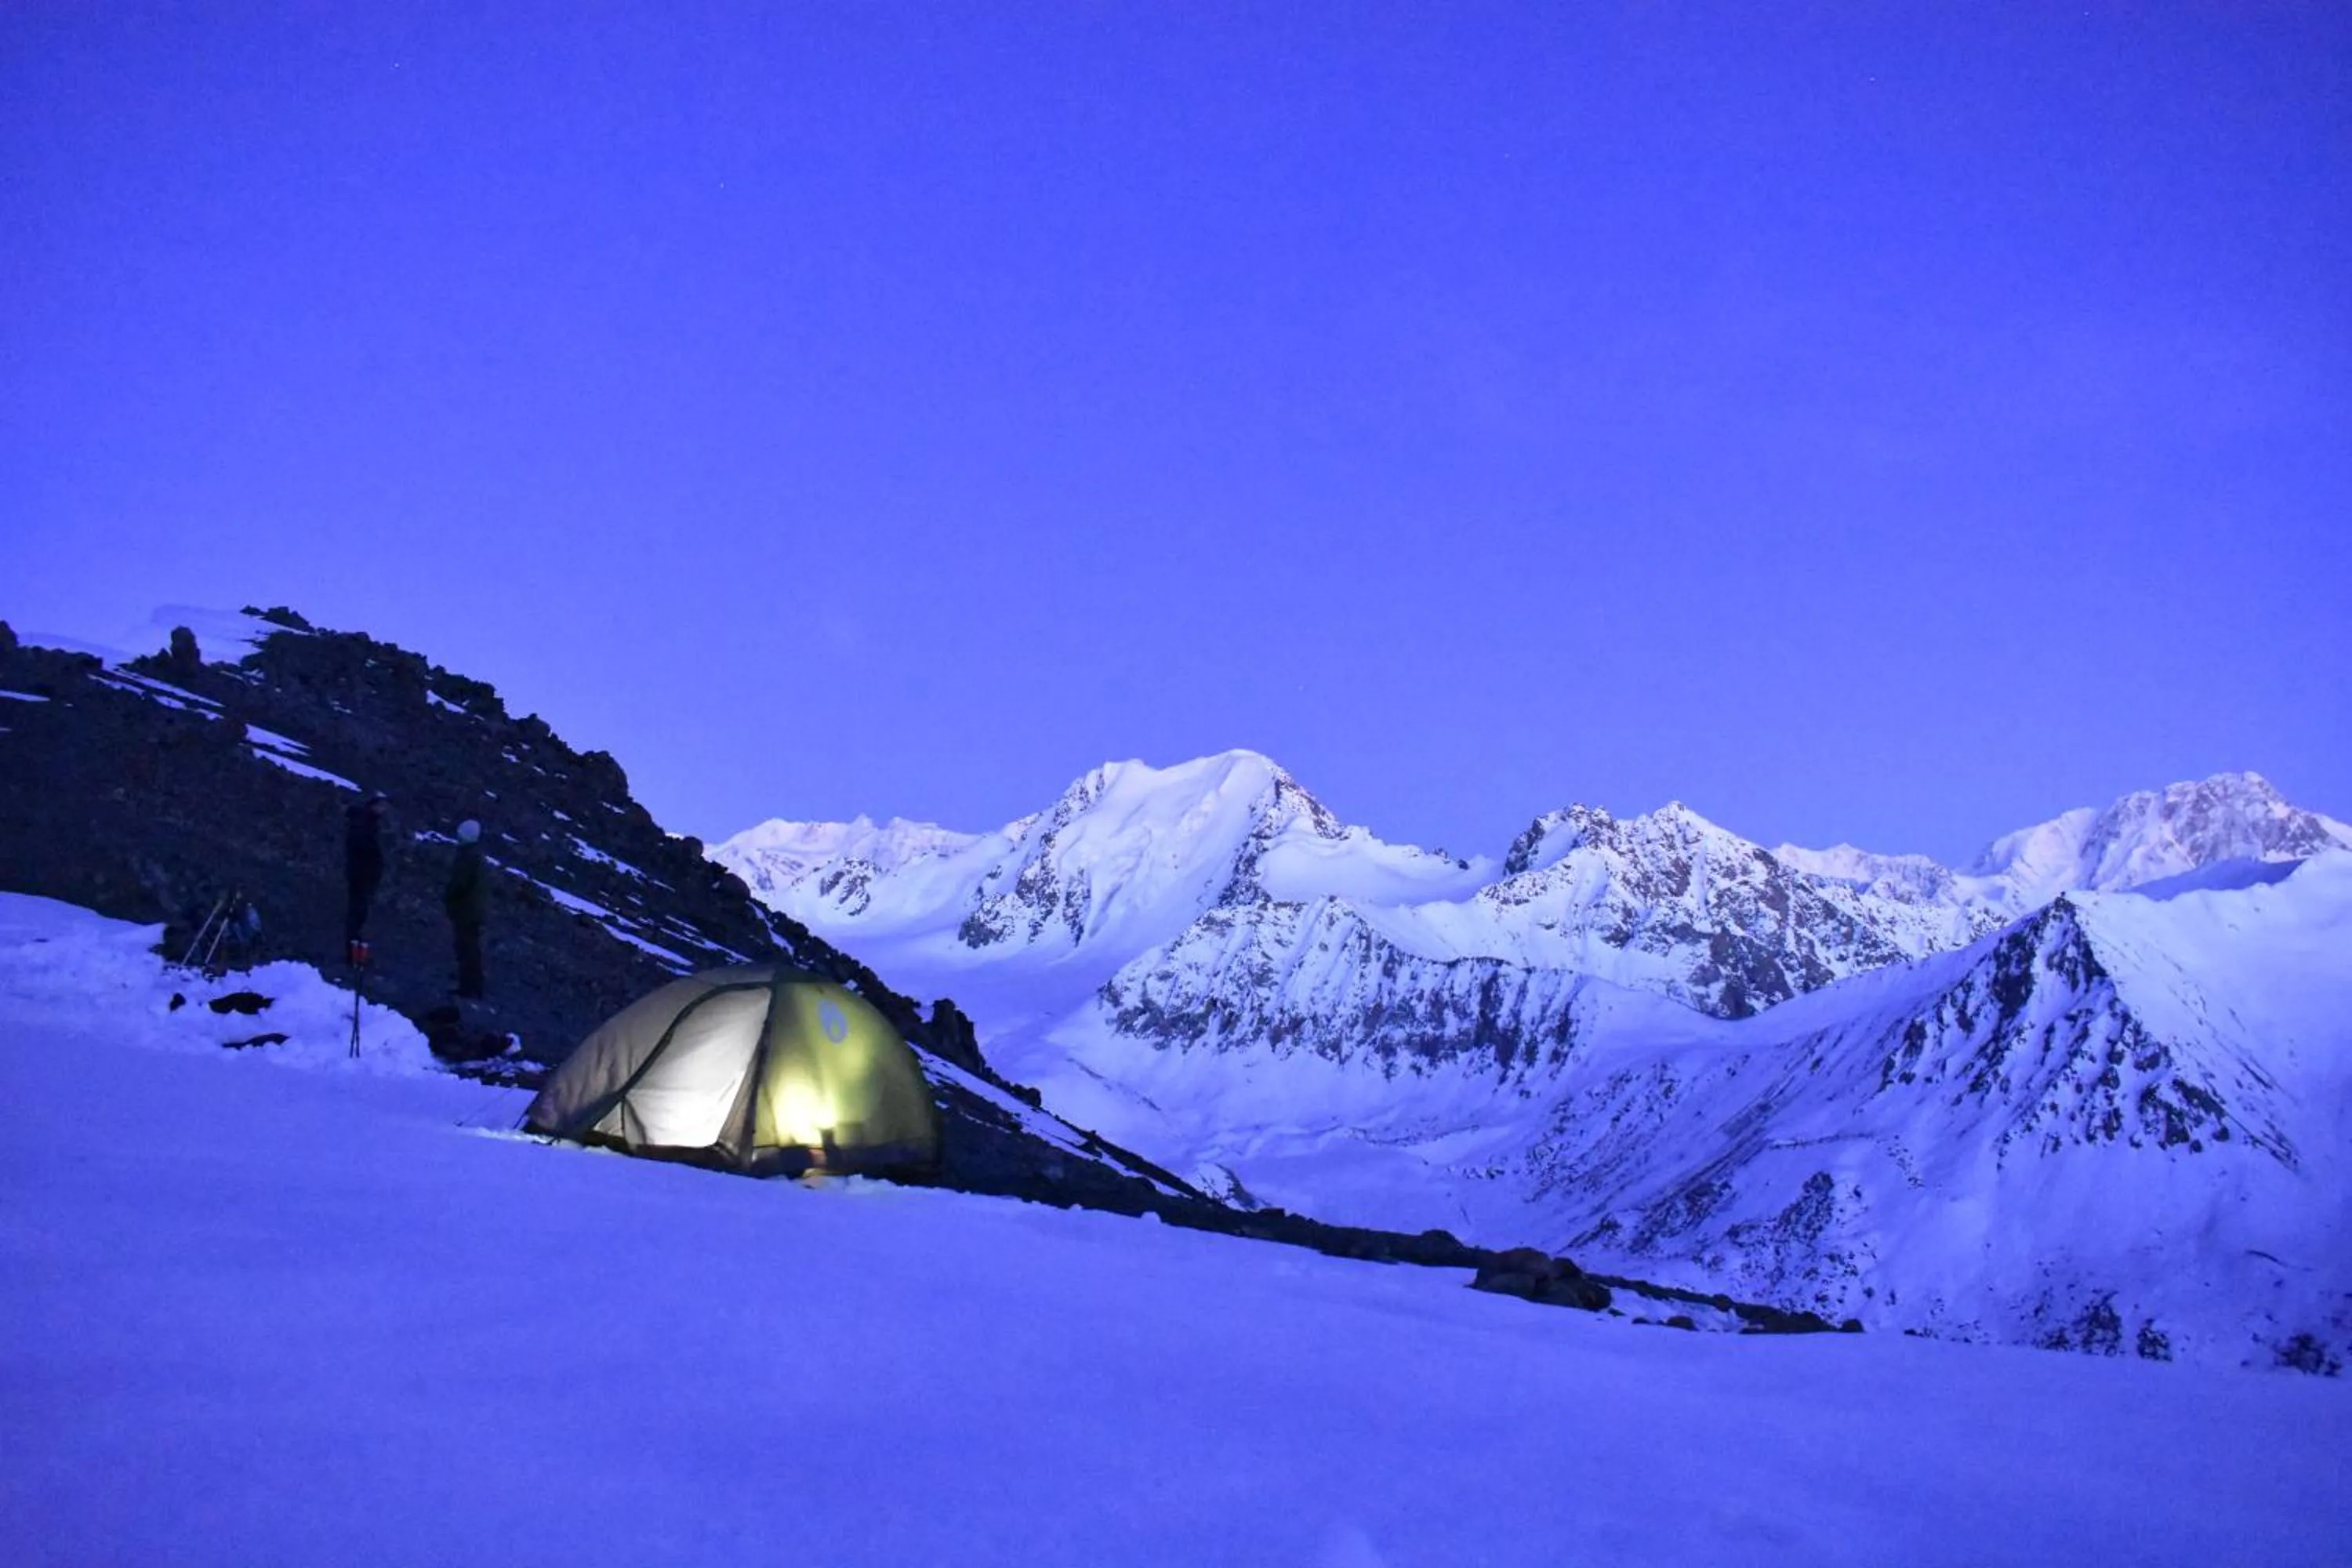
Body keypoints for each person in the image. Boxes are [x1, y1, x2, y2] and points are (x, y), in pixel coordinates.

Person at [444, 818, 488, 1000]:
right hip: (475, 909)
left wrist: (448, 898)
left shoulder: (466, 856)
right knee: (472, 947)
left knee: (465, 947)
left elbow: (459, 883)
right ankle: (475, 986)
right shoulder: (477, 854)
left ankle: (468, 987)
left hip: (465, 910)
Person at [343, 793, 390, 960]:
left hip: (361, 874)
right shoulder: (364, 824)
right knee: (357, 911)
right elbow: (362, 848)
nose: (384, 810)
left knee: (358, 911)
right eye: (381, 806)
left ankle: (354, 947)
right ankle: (353, 950)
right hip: (361, 875)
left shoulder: (367, 822)